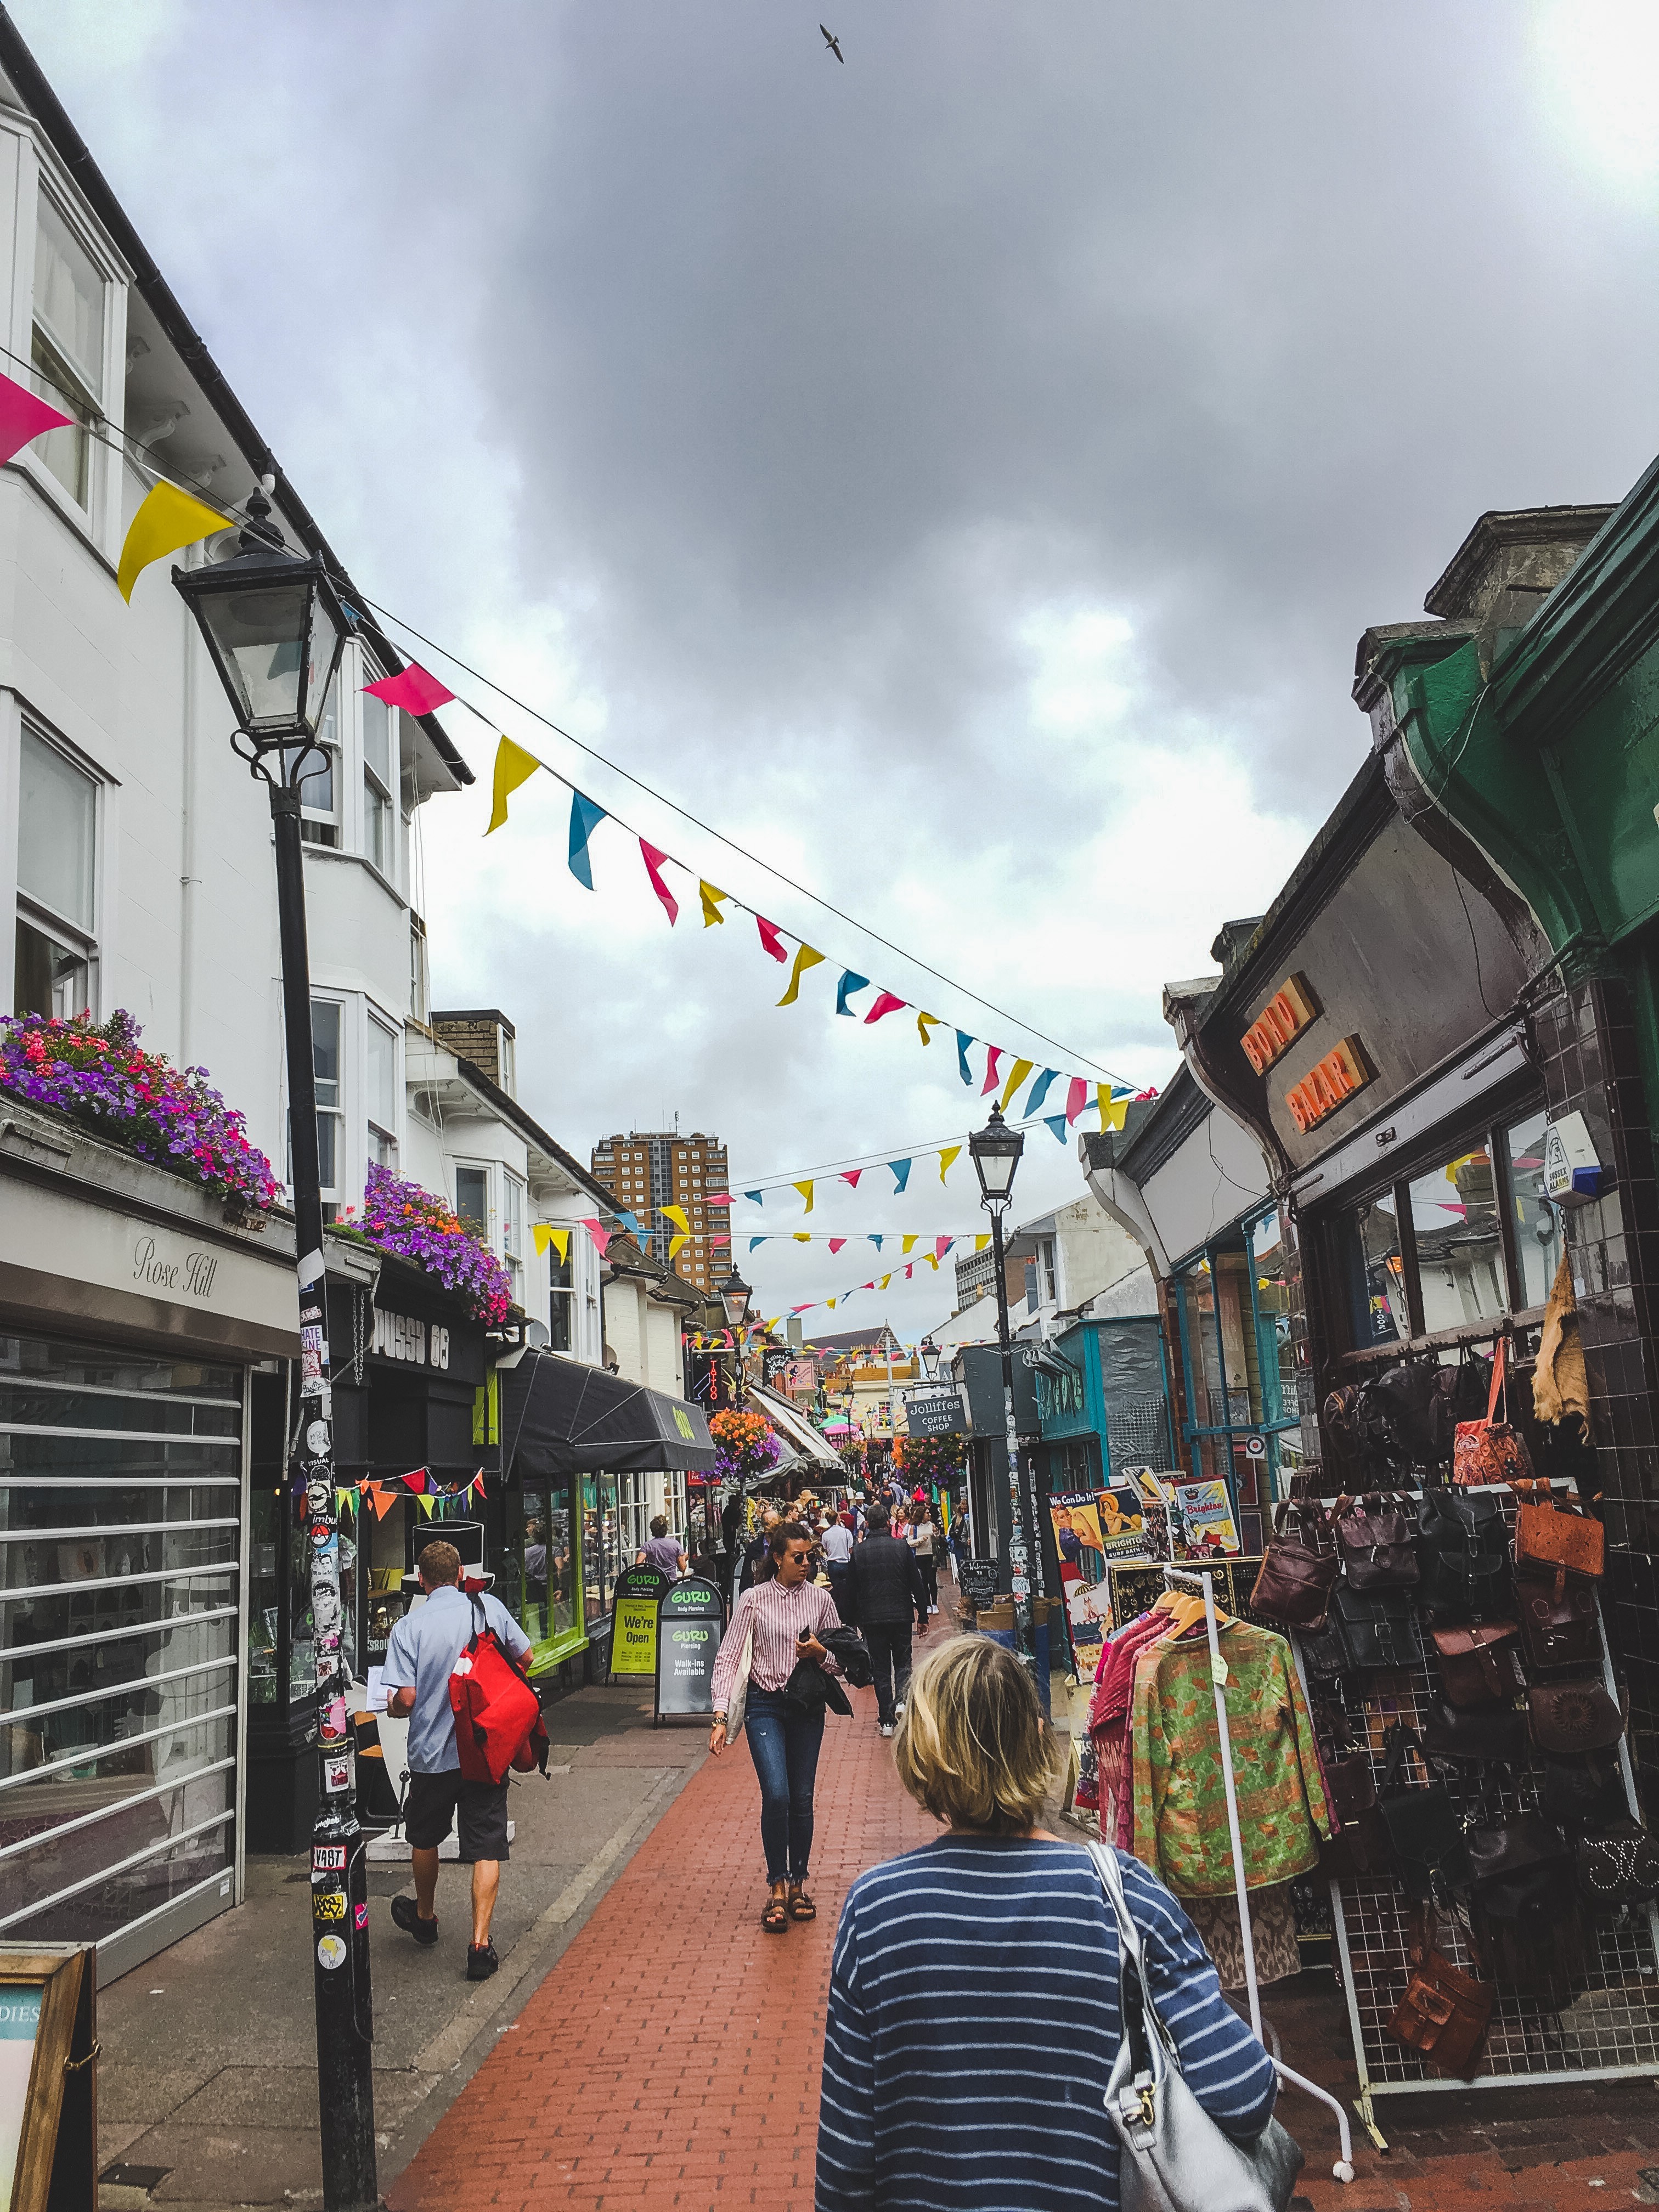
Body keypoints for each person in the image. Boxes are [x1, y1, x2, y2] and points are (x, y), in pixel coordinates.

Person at [815, 1636, 1279, 2210]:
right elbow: (1242, 2094)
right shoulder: (1126, 1896)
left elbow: (845, 2164)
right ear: (1038, 1742)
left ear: (921, 1751)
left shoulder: (876, 1911)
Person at [382, 1539, 533, 1983]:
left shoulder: (409, 1626)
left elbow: (406, 1699)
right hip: (483, 1751)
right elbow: (526, 1657)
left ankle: (425, 1917)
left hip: (431, 1756)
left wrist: (392, 1708)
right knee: (486, 1845)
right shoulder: (486, 1608)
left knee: (425, 1837)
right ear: (462, 1575)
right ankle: (480, 1945)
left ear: (423, 1580)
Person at [709, 1521, 842, 1932]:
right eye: (798, 1557)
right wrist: (719, 1715)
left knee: (802, 1797)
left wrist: (821, 1651)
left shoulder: (821, 1600)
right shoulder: (753, 1600)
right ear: (779, 1558)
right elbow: (729, 1657)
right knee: (778, 1794)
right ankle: (777, 1886)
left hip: (806, 1706)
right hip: (764, 1704)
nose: (806, 1564)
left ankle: (798, 1882)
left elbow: (843, 1660)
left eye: (810, 1557)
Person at [842, 1505, 927, 1737]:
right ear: (887, 1524)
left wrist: (849, 1621)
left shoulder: (859, 1552)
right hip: (900, 1616)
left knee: (880, 1669)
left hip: (872, 1620)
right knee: (903, 1663)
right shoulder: (901, 1548)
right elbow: (916, 1583)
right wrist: (923, 1614)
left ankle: (886, 1720)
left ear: (868, 1524)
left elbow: (851, 1589)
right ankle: (901, 1702)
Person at [820, 1506, 855, 1620]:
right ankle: (849, 1615)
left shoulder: (825, 1534)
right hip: (845, 1563)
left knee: (837, 1591)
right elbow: (851, 1550)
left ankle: (839, 1615)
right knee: (849, 1591)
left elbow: (826, 1550)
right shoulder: (846, 1532)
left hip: (833, 1564)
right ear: (838, 1519)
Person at [909, 1506, 940, 1616]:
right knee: (924, 1581)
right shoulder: (914, 1527)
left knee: (932, 1580)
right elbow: (909, 1542)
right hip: (920, 1555)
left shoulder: (931, 1525)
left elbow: (937, 1539)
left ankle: (935, 1604)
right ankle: (927, 1604)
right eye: (927, 1513)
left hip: (931, 1555)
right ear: (922, 1514)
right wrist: (920, 1540)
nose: (929, 1515)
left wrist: (936, 1534)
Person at [642, 1513, 688, 1581]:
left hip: (653, 1582)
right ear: (666, 1529)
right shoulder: (675, 1544)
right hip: (670, 1582)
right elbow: (682, 1568)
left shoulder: (647, 1545)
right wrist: (685, 1558)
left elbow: (638, 1564)